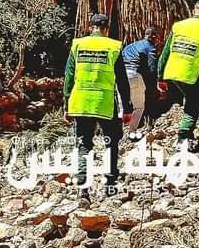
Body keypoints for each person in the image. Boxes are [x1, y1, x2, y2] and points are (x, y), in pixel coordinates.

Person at [64, 13, 132, 205]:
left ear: (89, 27)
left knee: (84, 145)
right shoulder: (113, 46)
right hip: (105, 103)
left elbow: (68, 77)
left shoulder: (77, 45)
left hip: (80, 102)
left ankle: (83, 189)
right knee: (111, 141)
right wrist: (127, 107)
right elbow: (122, 80)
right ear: (106, 28)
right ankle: (110, 184)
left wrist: (66, 105)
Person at [157, 0, 199, 150]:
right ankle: (184, 137)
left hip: (171, 71)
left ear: (193, 10)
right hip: (189, 72)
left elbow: (165, 53)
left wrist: (160, 77)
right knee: (193, 103)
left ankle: (184, 133)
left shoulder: (178, 26)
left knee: (187, 98)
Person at [122, 28, 159, 141]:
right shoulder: (150, 48)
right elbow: (152, 69)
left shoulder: (130, 46)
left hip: (121, 76)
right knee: (138, 107)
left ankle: (118, 134)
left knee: (122, 106)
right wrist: (154, 87)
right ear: (153, 37)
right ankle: (131, 132)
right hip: (134, 75)